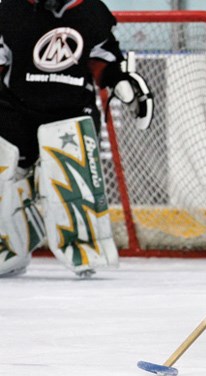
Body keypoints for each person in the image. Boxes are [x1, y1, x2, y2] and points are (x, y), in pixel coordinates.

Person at [0, 0, 153, 278]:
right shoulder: (10, 9)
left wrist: (119, 80)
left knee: (72, 180)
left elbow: (103, 58)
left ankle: (85, 247)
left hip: (70, 110)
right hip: (14, 110)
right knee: (3, 179)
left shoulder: (91, 11)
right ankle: (7, 248)